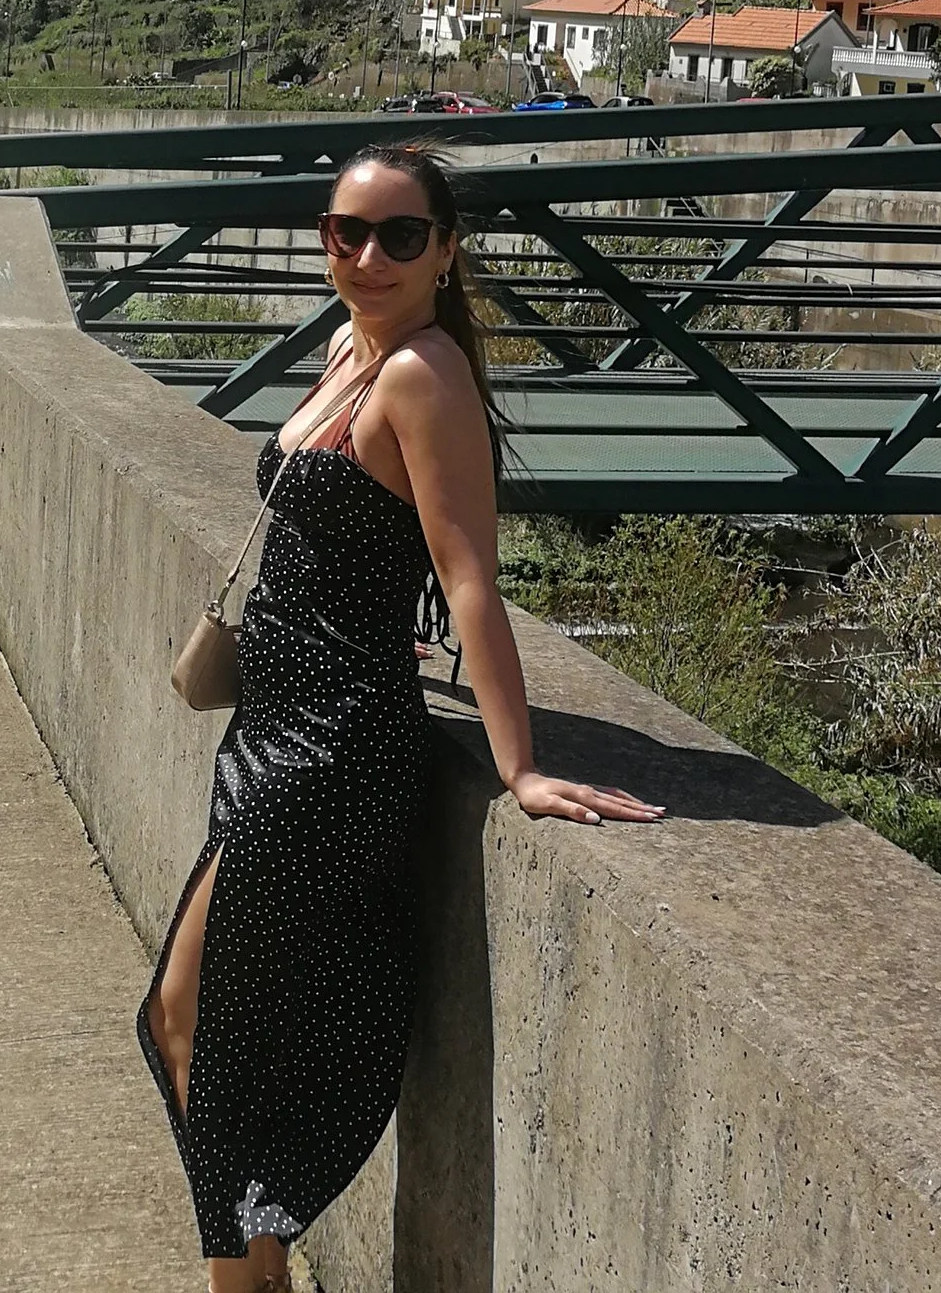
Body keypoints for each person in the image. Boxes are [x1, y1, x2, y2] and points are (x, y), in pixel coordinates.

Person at [139, 141, 664, 1291]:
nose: (368, 256)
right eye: (346, 233)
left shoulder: (424, 375)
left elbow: (469, 573)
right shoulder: (349, 349)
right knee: (199, 1028)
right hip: (266, 727)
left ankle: (247, 1279)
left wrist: (518, 766)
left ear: (448, 250)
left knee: (191, 1024)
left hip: (330, 746)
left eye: (399, 236)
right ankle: (259, 1266)